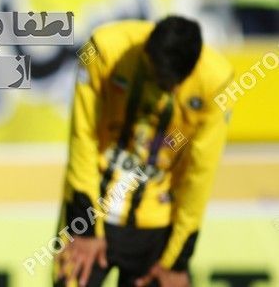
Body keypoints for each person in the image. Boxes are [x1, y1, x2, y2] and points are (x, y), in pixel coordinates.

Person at [54, 16, 233, 287]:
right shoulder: (103, 49)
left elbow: (200, 175)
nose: (164, 90)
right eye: (157, 77)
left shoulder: (216, 82)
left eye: (171, 84)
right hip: (91, 209)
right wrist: (84, 228)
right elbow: (82, 139)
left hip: (156, 225)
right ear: (147, 53)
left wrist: (176, 260)